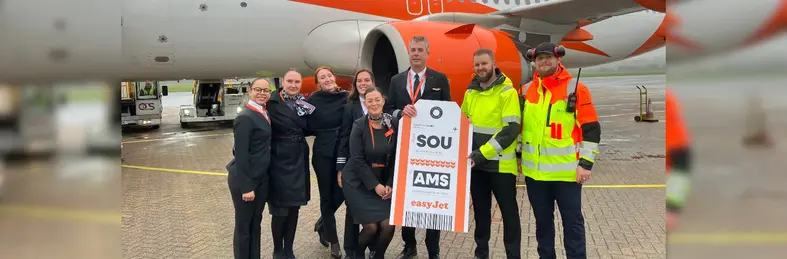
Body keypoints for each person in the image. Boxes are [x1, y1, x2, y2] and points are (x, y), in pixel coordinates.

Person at [519, 42, 600, 259]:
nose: (544, 62)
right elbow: (520, 129)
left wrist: (585, 164)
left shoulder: (576, 89)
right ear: (534, 62)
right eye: (539, 58)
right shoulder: (526, 91)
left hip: (566, 175)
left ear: (558, 60)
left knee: (572, 224)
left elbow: (591, 129)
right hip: (535, 176)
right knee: (542, 226)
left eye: (548, 57)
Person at [383, 35, 451, 259]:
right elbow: (389, 110)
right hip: (405, 149)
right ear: (409, 52)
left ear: (427, 53)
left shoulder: (439, 80)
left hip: (432, 151)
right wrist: (400, 113)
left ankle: (434, 249)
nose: (416, 53)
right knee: (408, 199)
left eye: (420, 50)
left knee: (432, 199)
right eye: (413, 50)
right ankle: (409, 245)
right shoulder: (396, 80)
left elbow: (448, 112)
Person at [462, 49, 522, 259]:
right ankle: (481, 254)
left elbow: (511, 130)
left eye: (484, 64)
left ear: (493, 64)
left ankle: (513, 255)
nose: (480, 68)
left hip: (501, 166)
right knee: (480, 214)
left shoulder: (507, 92)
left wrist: (482, 153)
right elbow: (463, 125)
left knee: (509, 214)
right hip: (477, 166)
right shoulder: (470, 92)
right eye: (477, 64)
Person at [342, 86, 398, 259]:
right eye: (369, 100)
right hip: (358, 181)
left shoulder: (392, 124)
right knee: (371, 227)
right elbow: (357, 159)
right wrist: (375, 186)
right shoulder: (359, 125)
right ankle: (357, 254)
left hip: (382, 179)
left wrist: (389, 183)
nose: (374, 104)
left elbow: (396, 157)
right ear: (365, 103)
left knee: (389, 225)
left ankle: (377, 255)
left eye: (377, 99)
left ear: (383, 100)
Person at [266, 69, 314, 259]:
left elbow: (309, 126)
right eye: (290, 81)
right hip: (279, 159)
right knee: (280, 209)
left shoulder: (304, 102)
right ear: (282, 82)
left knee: (294, 207)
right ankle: (278, 249)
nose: (293, 85)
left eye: (297, 82)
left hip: (299, 156)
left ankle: (289, 248)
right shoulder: (271, 102)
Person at [226, 78, 273, 259]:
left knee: (256, 224)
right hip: (245, 180)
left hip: (260, 177)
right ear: (249, 91)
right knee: (244, 227)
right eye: (258, 90)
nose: (262, 93)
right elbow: (241, 154)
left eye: (266, 90)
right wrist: (247, 187)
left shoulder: (263, 112)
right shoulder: (245, 117)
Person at [307, 66, 349, 258]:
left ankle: (322, 223)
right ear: (317, 83)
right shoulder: (313, 100)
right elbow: (303, 122)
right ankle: (333, 240)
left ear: (334, 77)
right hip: (323, 153)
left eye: (329, 75)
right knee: (326, 197)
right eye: (322, 78)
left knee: (342, 192)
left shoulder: (347, 97)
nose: (326, 79)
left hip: (343, 151)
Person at [337, 69, 377, 259]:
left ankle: (374, 247)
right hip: (354, 167)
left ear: (372, 82)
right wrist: (340, 167)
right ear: (355, 84)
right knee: (352, 209)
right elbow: (343, 137)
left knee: (375, 210)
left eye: (366, 80)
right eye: (359, 80)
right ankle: (351, 249)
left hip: (377, 168)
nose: (363, 83)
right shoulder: (349, 107)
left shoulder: (380, 103)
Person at [665, 90, 692, 231]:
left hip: (676, 147)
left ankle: (672, 213)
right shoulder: (669, 98)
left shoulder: (668, 99)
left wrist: (672, 210)